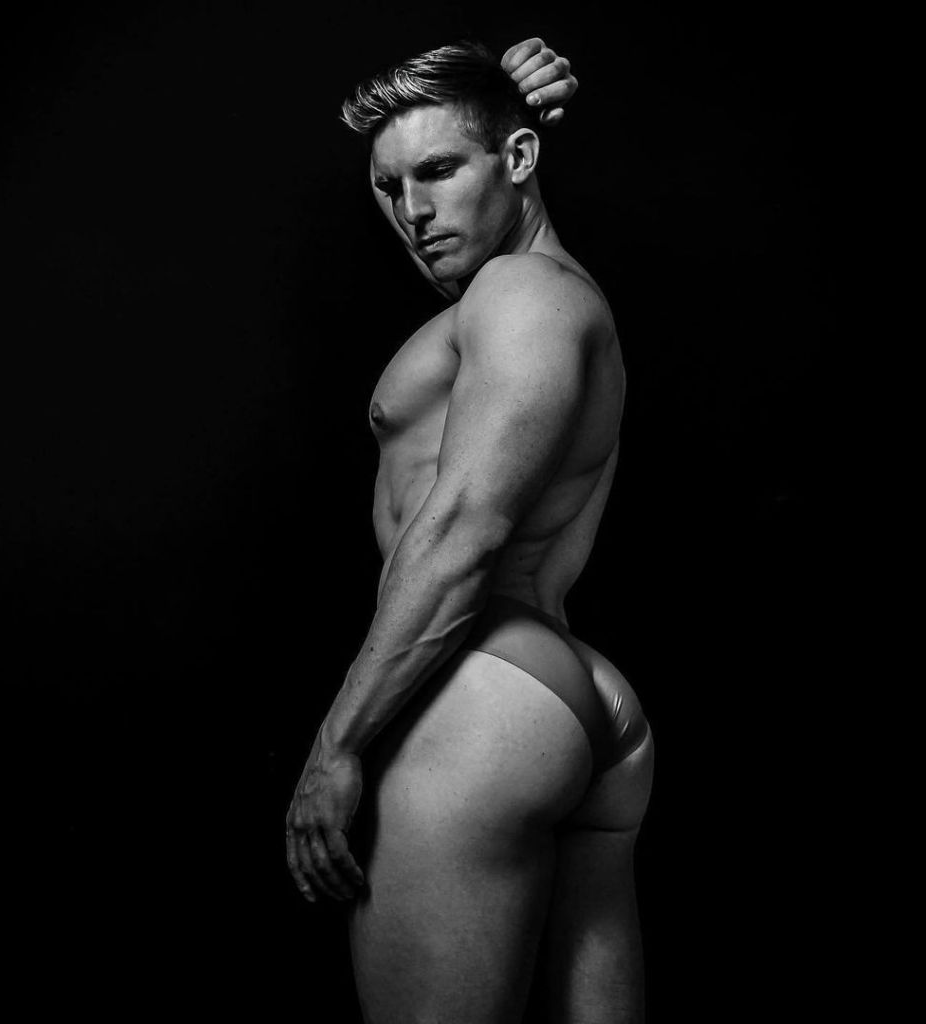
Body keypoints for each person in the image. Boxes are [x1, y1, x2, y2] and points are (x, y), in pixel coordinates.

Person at [286, 38, 654, 1024]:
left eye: (440, 170)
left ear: (520, 159)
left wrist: (338, 743)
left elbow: (464, 528)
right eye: (388, 186)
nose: (412, 210)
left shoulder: (521, 292)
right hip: (567, 695)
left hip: (481, 690)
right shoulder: (557, 298)